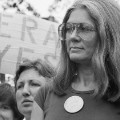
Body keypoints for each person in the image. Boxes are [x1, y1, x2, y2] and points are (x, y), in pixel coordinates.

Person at [31, 0, 120, 120]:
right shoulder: (46, 93)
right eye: (68, 28)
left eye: (84, 28)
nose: (73, 36)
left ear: (108, 36)